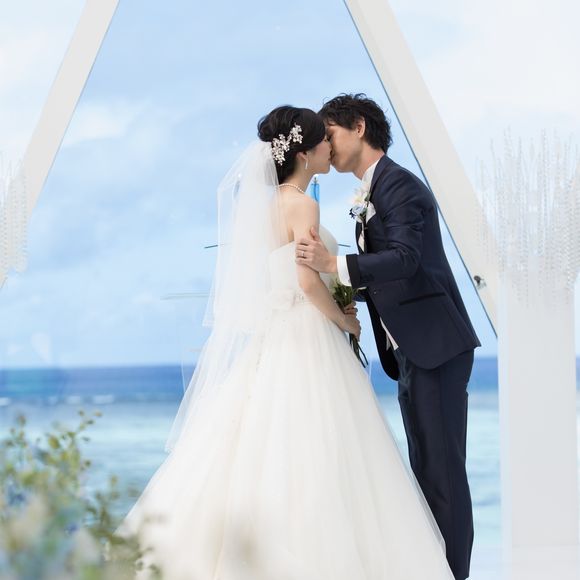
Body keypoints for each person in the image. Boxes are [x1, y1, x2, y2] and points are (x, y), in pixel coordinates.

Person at [117, 105, 456, 580]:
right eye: (322, 141)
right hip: (308, 333)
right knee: (321, 448)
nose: (328, 149)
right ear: (303, 153)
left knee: (261, 444)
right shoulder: (303, 204)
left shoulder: (268, 205)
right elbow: (307, 281)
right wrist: (344, 320)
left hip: (277, 336)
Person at [296, 94, 481, 580]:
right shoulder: (373, 190)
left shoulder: (399, 186)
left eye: (330, 134)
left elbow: (405, 258)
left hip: (436, 346)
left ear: (358, 127)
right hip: (411, 351)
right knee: (426, 476)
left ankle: (455, 574)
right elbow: (390, 275)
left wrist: (333, 264)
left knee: (443, 478)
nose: (326, 146)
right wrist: (343, 293)